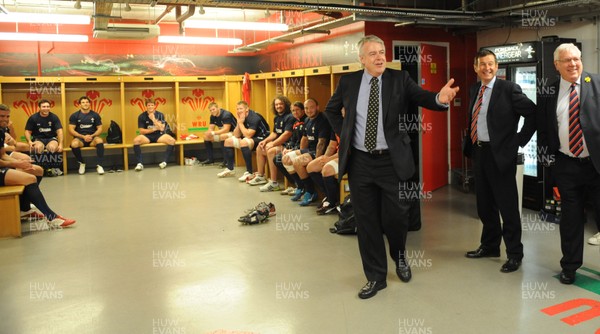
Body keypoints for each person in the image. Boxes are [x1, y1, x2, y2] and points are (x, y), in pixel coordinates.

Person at [325, 35, 458, 299]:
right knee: (366, 222)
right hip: (361, 162)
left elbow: (423, 97)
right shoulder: (349, 82)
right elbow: (331, 110)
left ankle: (399, 256)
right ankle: (376, 277)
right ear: (361, 59)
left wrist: (440, 99)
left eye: (382, 51)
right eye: (372, 53)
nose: (379, 57)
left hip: (391, 162)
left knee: (396, 219)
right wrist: (346, 134)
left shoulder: (399, 79)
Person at [463, 49, 536, 274]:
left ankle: (515, 253)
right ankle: (490, 246)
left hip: (501, 155)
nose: (487, 68)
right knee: (484, 205)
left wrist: (517, 142)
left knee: (508, 207)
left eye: (491, 64)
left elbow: (533, 113)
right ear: (476, 68)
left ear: (496, 66)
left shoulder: (508, 89)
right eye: (482, 64)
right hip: (480, 153)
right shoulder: (475, 89)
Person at [537, 43, 600, 284]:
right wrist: (549, 161)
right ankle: (570, 267)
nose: (573, 64)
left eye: (576, 59)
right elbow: (543, 129)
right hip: (566, 165)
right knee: (571, 220)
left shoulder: (596, 83)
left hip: (597, 165)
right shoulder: (548, 92)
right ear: (556, 65)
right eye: (567, 60)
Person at [0, 127, 75, 227]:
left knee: (37, 170)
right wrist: (17, 165)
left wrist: (17, 162)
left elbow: (3, 155)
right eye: (2, 116)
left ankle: (24, 209)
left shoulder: (1, 131)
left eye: (7, 116)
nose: (5, 119)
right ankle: (51, 217)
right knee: (30, 179)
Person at [282, 98, 331, 206]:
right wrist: (299, 151)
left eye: (311, 107)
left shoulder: (323, 120)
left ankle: (311, 191)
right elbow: (304, 138)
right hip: (310, 150)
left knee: (297, 162)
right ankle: (300, 187)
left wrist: (317, 160)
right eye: (306, 108)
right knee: (286, 158)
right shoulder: (308, 120)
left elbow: (321, 143)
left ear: (317, 107)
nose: (309, 110)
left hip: (320, 152)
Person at [247, 96, 294, 192]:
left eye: (281, 104)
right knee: (260, 147)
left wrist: (273, 144)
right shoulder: (277, 117)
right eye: (276, 104)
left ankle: (274, 182)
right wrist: (265, 141)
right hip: (279, 144)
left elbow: (287, 134)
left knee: (271, 151)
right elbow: (275, 133)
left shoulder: (290, 117)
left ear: (285, 104)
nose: (278, 106)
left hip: (288, 145)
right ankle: (260, 176)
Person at [217, 101, 270, 179]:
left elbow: (248, 135)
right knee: (228, 141)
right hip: (251, 139)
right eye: (237, 109)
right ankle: (230, 169)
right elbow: (236, 135)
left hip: (263, 138)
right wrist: (239, 123)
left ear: (247, 109)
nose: (239, 111)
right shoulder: (241, 117)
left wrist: (241, 124)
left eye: (241, 109)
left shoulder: (254, 117)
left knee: (244, 142)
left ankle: (249, 172)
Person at [274, 101, 308, 195]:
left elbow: (305, 142)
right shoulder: (296, 122)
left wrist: (293, 149)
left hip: (305, 149)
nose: (295, 112)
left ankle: (302, 186)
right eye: (293, 110)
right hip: (295, 148)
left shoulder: (306, 121)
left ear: (303, 110)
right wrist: (287, 148)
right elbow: (293, 139)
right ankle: (296, 184)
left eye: (297, 110)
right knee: (277, 159)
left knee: (282, 159)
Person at [132, 99, 176, 171]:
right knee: (136, 140)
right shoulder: (141, 116)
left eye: (152, 105)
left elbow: (162, 128)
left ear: (155, 106)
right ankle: (139, 164)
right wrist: (154, 129)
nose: (150, 107)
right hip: (147, 136)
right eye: (148, 105)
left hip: (159, 135)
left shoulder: (160, 115)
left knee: (172, 140)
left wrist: (153, 119)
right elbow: (142, 131)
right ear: (146, 106)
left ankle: (164, 162)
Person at [24, 99, 64, 176]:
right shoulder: (33, 118)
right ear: (39, 107)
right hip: (38, 138)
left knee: (52, 147)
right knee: (38, 148)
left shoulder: (54, 117)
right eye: (44, 106)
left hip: (51, 138)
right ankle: (44, 168)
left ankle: (55, 167)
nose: (46, 108)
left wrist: (61, 144)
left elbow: (59, 131)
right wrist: (29, 141)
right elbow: (27, 131)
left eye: (48, 106)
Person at [68, 96, 105, 175]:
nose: (85, 104)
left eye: (87, 102)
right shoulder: (74, 115)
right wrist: (83, 137)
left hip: (92, 138)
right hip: (80, 139)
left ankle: (100, 165)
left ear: (89, 104)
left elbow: (100, 128)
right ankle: (82, 163)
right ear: (79, 104)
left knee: (100, 141)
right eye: (83, 102)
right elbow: (71, 130)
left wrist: (92, 135)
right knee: (74, 144)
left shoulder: (95, 115)